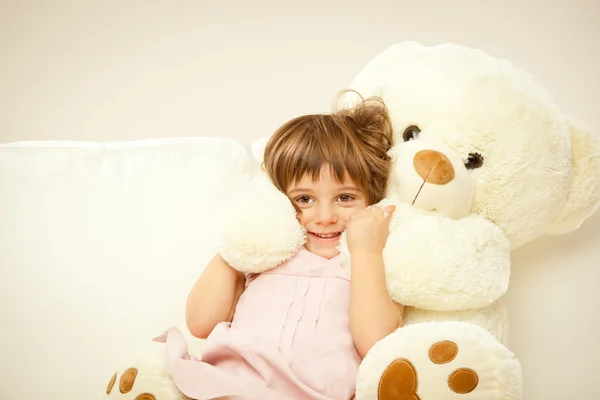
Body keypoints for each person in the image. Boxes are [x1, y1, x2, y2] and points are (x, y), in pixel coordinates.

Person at [159, 92, 404, 400]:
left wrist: (367, 251)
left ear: (372, 199)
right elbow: (200, 322)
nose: (325, 217)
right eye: (304, 199)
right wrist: (246, 234)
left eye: (345, 198)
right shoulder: (266, 255)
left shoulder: (372, 261)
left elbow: (376, 344)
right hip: (227, 385)